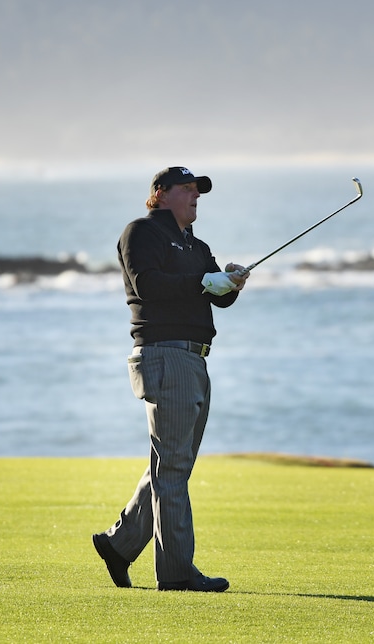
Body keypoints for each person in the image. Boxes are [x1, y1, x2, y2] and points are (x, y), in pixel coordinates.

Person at [92, 166, 249, 592]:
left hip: (195, 359)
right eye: (187, 189)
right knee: (173, 468)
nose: (195, 196)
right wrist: (204, 281)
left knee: (171, 465)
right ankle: (177, 573)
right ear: (160, 194)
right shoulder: (142, 232)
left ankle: (119, 544)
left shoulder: (196, 245)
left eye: (198, 190)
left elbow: (218, 297)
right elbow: (148, 285)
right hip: (165, 355)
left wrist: (230, 282)